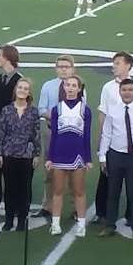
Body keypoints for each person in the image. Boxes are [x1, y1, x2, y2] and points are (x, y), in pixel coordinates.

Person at [95, 53, 133, 225]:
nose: (114, 66)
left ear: (128, 66)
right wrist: (101, 137)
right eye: (114, 63)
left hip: (132, 145)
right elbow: (103, 113)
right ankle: (102, 213)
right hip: (112, 142)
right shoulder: (107, 87)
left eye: (117, 63)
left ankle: (132, 217)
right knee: (108, 181)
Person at [98, 79, 133, 239]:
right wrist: (102, 156)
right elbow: (107, 134)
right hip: (115, 155)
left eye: (130, 90)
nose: (127, 93)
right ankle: (110, 225)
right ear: (120, 92)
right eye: (124, 90)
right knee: (112, 192)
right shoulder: (112, 110)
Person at [36, 55, 83, 220]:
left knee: (73, 170)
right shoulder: (48, 86)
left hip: (71, 134)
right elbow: (41, 109)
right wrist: (57, 117)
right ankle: (47, 206)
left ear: (72, 69)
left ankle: (75, 209)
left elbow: (82, 109)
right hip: (51, 132)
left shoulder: (77, 86)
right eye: (60, 66)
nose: (63, 69)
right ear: (56, 68)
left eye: (67, 66)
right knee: (50, 171)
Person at [44, 75, 92, 237]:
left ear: (79, 89)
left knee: (79, 191)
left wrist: (88, 159)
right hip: (59, 155)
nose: (70, 88)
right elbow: (54, 135)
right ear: (64, 88)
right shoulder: (57, 109)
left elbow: (86, 135)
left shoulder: (85, 110)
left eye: (74, 85)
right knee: (57, 190)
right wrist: (50, 157)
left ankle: (81, 224)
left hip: (78, 155)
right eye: (68, 85)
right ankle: (55, 223)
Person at [0, 78, 42, 232]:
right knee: (9, 188)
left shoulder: (34, 111)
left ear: (29, 92)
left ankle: (22, 220)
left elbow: (36, 134)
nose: (22, 90)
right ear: (16, 90)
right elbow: (1, 133)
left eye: (26, 88)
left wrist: (36, 154)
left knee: (25, 188)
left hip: (26, 155)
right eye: (20, 87)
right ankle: (9, 220)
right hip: (9, 153)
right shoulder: (6, 110)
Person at [0, 45, 22, 217]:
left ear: (7, 58)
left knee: (11, 170)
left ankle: (13, 205)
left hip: (13, 132)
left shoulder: (19, 80)